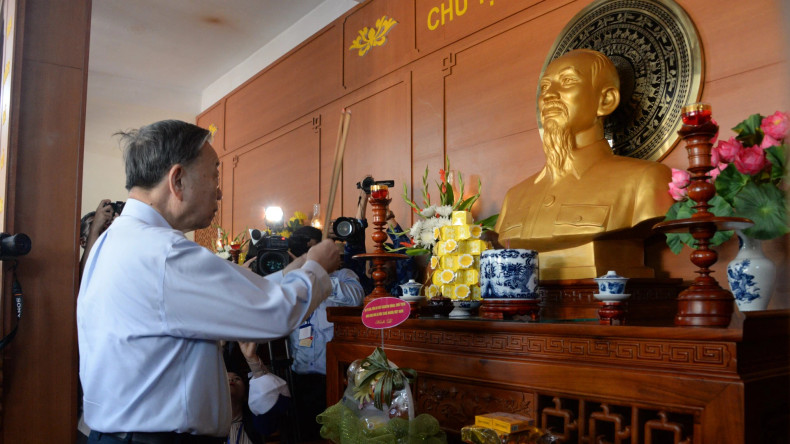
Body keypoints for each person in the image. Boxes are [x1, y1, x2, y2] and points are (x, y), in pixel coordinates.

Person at [77, 119, 340, 444]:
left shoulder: (115, 240)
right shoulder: (165, 252)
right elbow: (273, 314)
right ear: (178, 179)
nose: (219, 190)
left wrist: (296, 268)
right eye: (214, 174)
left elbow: (237, 294)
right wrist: (317, 267)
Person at [494, 49, 673, 279]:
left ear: (605, 100)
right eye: (545, 87)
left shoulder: (646, 179)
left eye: (568, 81)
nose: (549, 96)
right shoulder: (514, 197)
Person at [286, 225, 365, 441]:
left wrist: (317, 273)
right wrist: (300, 271)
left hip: (330, 376)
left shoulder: (345, 275)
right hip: (300, 374)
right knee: (304, 433)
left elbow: (354, 298)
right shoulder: (294, 281)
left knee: (332, 434)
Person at [224, 341, 291, 444]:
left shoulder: (257, 419)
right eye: (225, 379)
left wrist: (252, 360)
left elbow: (272, 400)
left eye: (237, 378)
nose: (231, 380)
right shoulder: (205, 424)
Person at [79, 199, 119, 277]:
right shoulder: (73, 275)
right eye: (100, 231)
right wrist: (95, 229)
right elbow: (86, 276)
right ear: (82, 242)